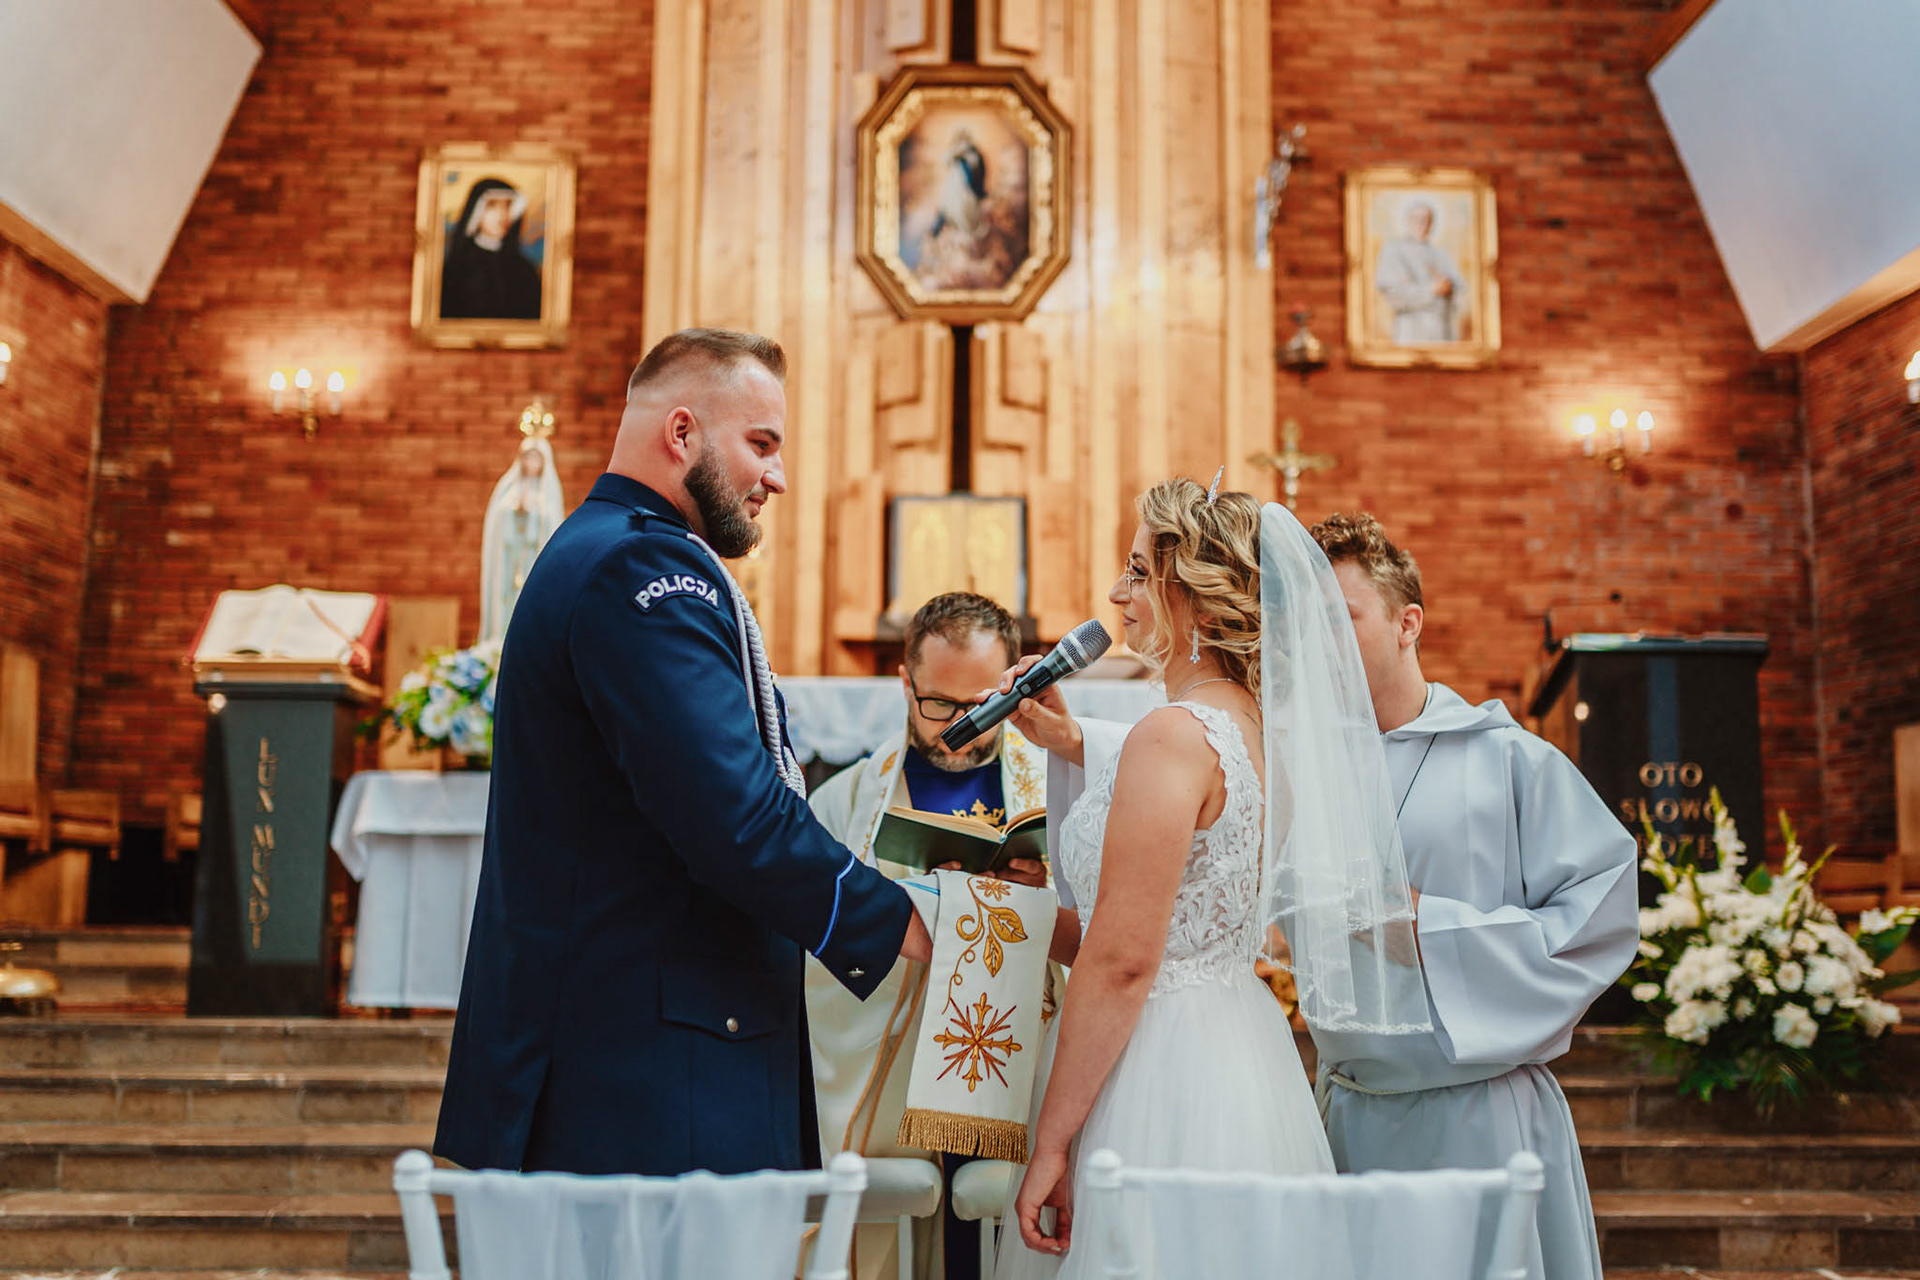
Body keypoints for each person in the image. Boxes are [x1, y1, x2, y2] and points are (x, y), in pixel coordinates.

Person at [435, 328, 931, 1177]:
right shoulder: (639, 572)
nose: (777, 476)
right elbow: (734, 813)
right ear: (681, 433)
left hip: (638, 1055)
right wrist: (907, 922)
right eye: (761, 445)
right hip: (644, 1079)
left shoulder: (612, 549)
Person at [992, 479, 1427, 1278]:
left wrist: (1053, 1140)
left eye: (1136, 572)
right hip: (1241, 1055)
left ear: (1190, 596)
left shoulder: (1172, 737)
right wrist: (1004, 906)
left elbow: (1124, 961)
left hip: (1156, 1071)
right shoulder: (1261, 734)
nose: (1116, 594)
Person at [1307, 511, 1639, 1280]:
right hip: (1347, 1115)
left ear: (1407, 624)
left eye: (1341, 618)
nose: (1318, 644)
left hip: (1477, 1118)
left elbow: (1598, 921)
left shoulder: (1509, 760)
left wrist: (1428, 929)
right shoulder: (1303, 771)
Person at [807, 591, 1049, 1280]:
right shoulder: (847, 803)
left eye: (984, 706)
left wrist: (1043, 898)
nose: (960, 729)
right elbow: (806, 947)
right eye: (939, 704)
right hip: (895, 1079)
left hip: (1016, 1063)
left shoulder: (1054, 796)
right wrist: (917, 910)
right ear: (905, 683)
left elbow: (1106, 935)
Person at [478, 432, 565, 644]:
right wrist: (514, 508)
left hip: (532, 557)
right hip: (508, 557)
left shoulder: (548, 492)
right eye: (527, 457)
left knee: (527, 599)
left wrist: (534, 512)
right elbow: (497, 519)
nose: (531, 463)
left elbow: (551, 525)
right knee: (505, 601)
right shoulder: (508, 487)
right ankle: (497, 643)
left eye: (536, 458)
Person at [440, 177, 544, 320]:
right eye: (492, 206)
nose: (502, 215)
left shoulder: (524, 269)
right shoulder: (456, 268)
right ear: (476, 212)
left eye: (507, 206)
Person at [1375, 198, 1467, 343]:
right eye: (1416, 219)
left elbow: (1459, 287)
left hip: (1442, 330)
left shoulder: (1440, 253)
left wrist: (1448, 286)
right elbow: (1393, 291)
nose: (1422, 224)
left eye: (1426, 220)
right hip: (1411, 329)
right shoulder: (1394, 250)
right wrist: (1431, 290)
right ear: (1407, 221)